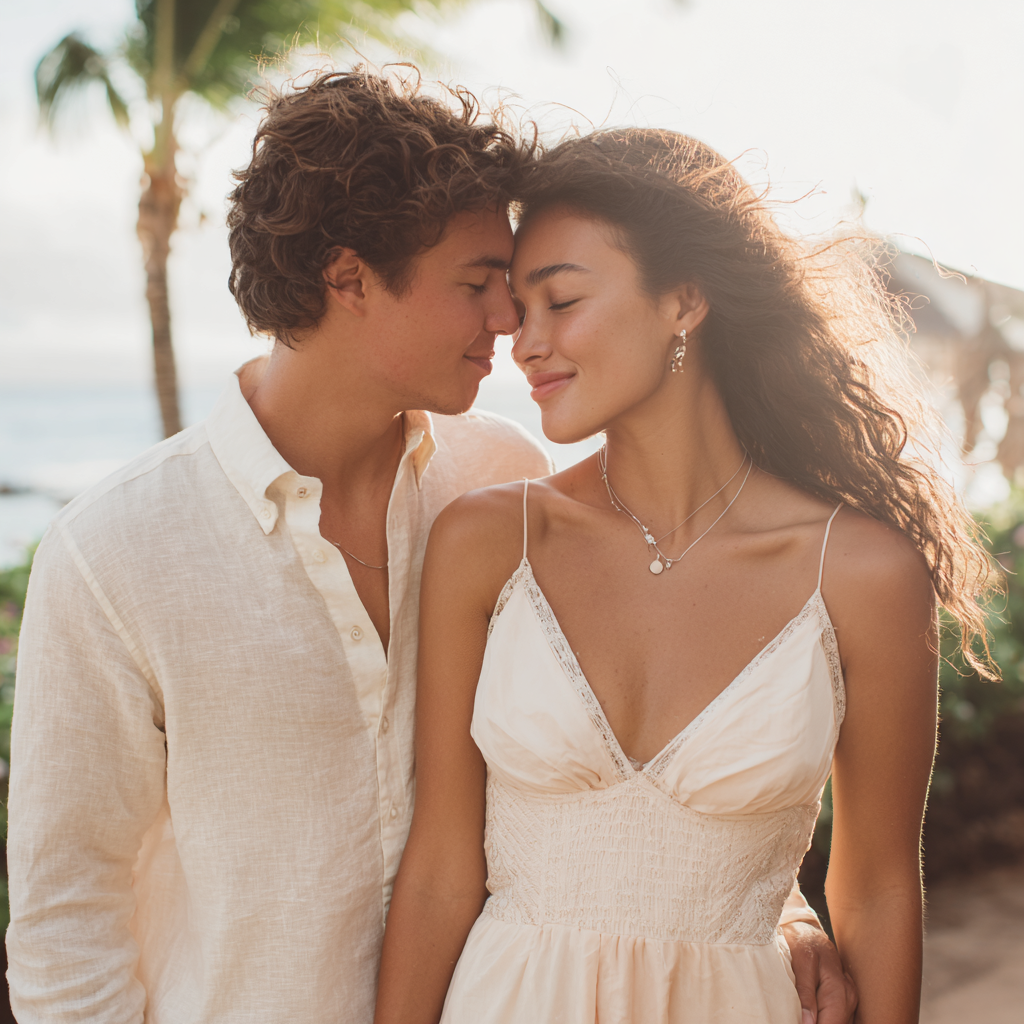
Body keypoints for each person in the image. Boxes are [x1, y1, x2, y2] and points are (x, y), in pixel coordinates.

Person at [6, 70, 850, 1022]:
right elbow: (63, 923)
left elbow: (620, 773)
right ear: (349, 279)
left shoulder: (502, 481)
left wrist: (771, 908)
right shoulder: (113, 553)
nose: (509, 320)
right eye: (477, 284)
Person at [375, 130, 993, 1024]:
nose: (526, 344)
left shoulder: (862, 574)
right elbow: (440, 868)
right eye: (520, 309)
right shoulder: (489, 541)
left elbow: (878, 887)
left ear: (684, 301)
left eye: (561, 301)